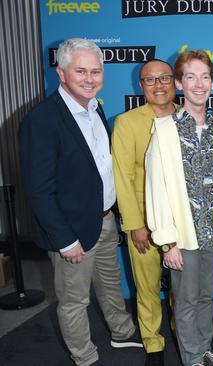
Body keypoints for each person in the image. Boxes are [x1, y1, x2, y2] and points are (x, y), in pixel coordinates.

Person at [19, 38, 142, 366]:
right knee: (74, 301)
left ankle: (121, 333)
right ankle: (85, 358)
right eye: (81, 71)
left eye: (96, 71)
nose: (90, 78)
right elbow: (39, 190)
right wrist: (65, 239)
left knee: (111, 284)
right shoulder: (43, 120)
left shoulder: (94, 107)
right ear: (61, 73)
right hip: (71, 230)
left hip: (103, 220)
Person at [145, 50, 213, 366]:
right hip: (182, 236)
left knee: (204, 297)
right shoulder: (164, 129)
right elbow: (155, 188)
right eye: (191, 77)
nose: (199, 84)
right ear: (180, 83)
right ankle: (192, 358)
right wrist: (167, 240)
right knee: (184, 300)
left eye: (205, 77)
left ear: (212, 82)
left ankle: (203, 348)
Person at [112, 59, 177, 366]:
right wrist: (135, 224)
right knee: (147, 287)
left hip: (182, 224)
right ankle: (153, 342)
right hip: (144, 223)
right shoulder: (127, 122)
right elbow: (122, 178)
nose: (159, 85)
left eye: (164, 78)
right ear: (141, 86)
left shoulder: (189, 117)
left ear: (175, 82)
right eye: (150, 80)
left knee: (182, 287)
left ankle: (183, 333)